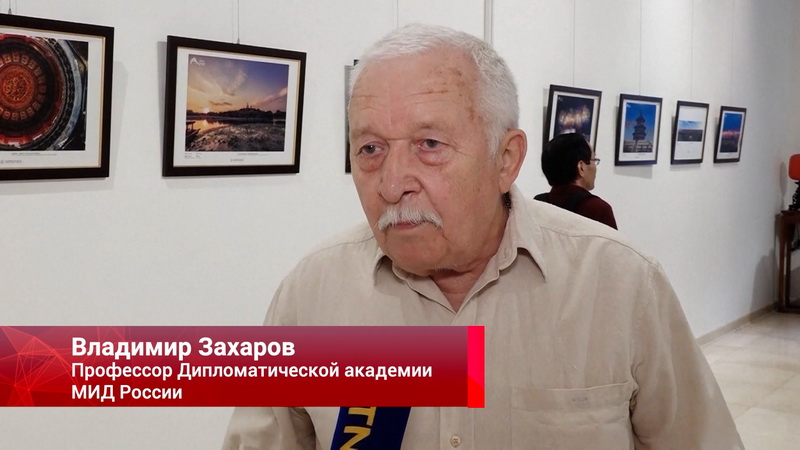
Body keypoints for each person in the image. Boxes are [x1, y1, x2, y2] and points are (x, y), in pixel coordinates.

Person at [222, 24, 742, 449]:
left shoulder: (623, 285)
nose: (393, 183)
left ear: (506, 159)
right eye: (371, 149)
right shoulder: (311, 295)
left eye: (429, 144)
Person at [536, 132, 618, 229]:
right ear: (581, 167)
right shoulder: (598, 209)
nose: (595, 167)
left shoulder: (537, 204)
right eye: (594, 160)